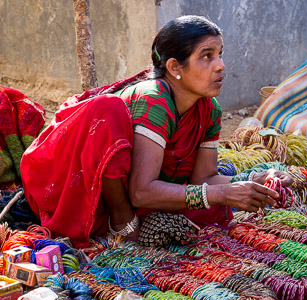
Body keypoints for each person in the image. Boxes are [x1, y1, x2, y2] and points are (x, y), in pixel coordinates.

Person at [20, 15, 292, 248]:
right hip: (74, 185)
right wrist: (222, 193)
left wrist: (253, 180)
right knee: (108, 108)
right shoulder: (154, 99)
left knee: (210, 213)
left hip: (139, 189)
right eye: (207, 56)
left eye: (220, 54)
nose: (220, 65)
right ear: (175, 67)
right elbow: (141, 191)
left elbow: (204, 178)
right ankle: (121, 219)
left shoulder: (209, 110)